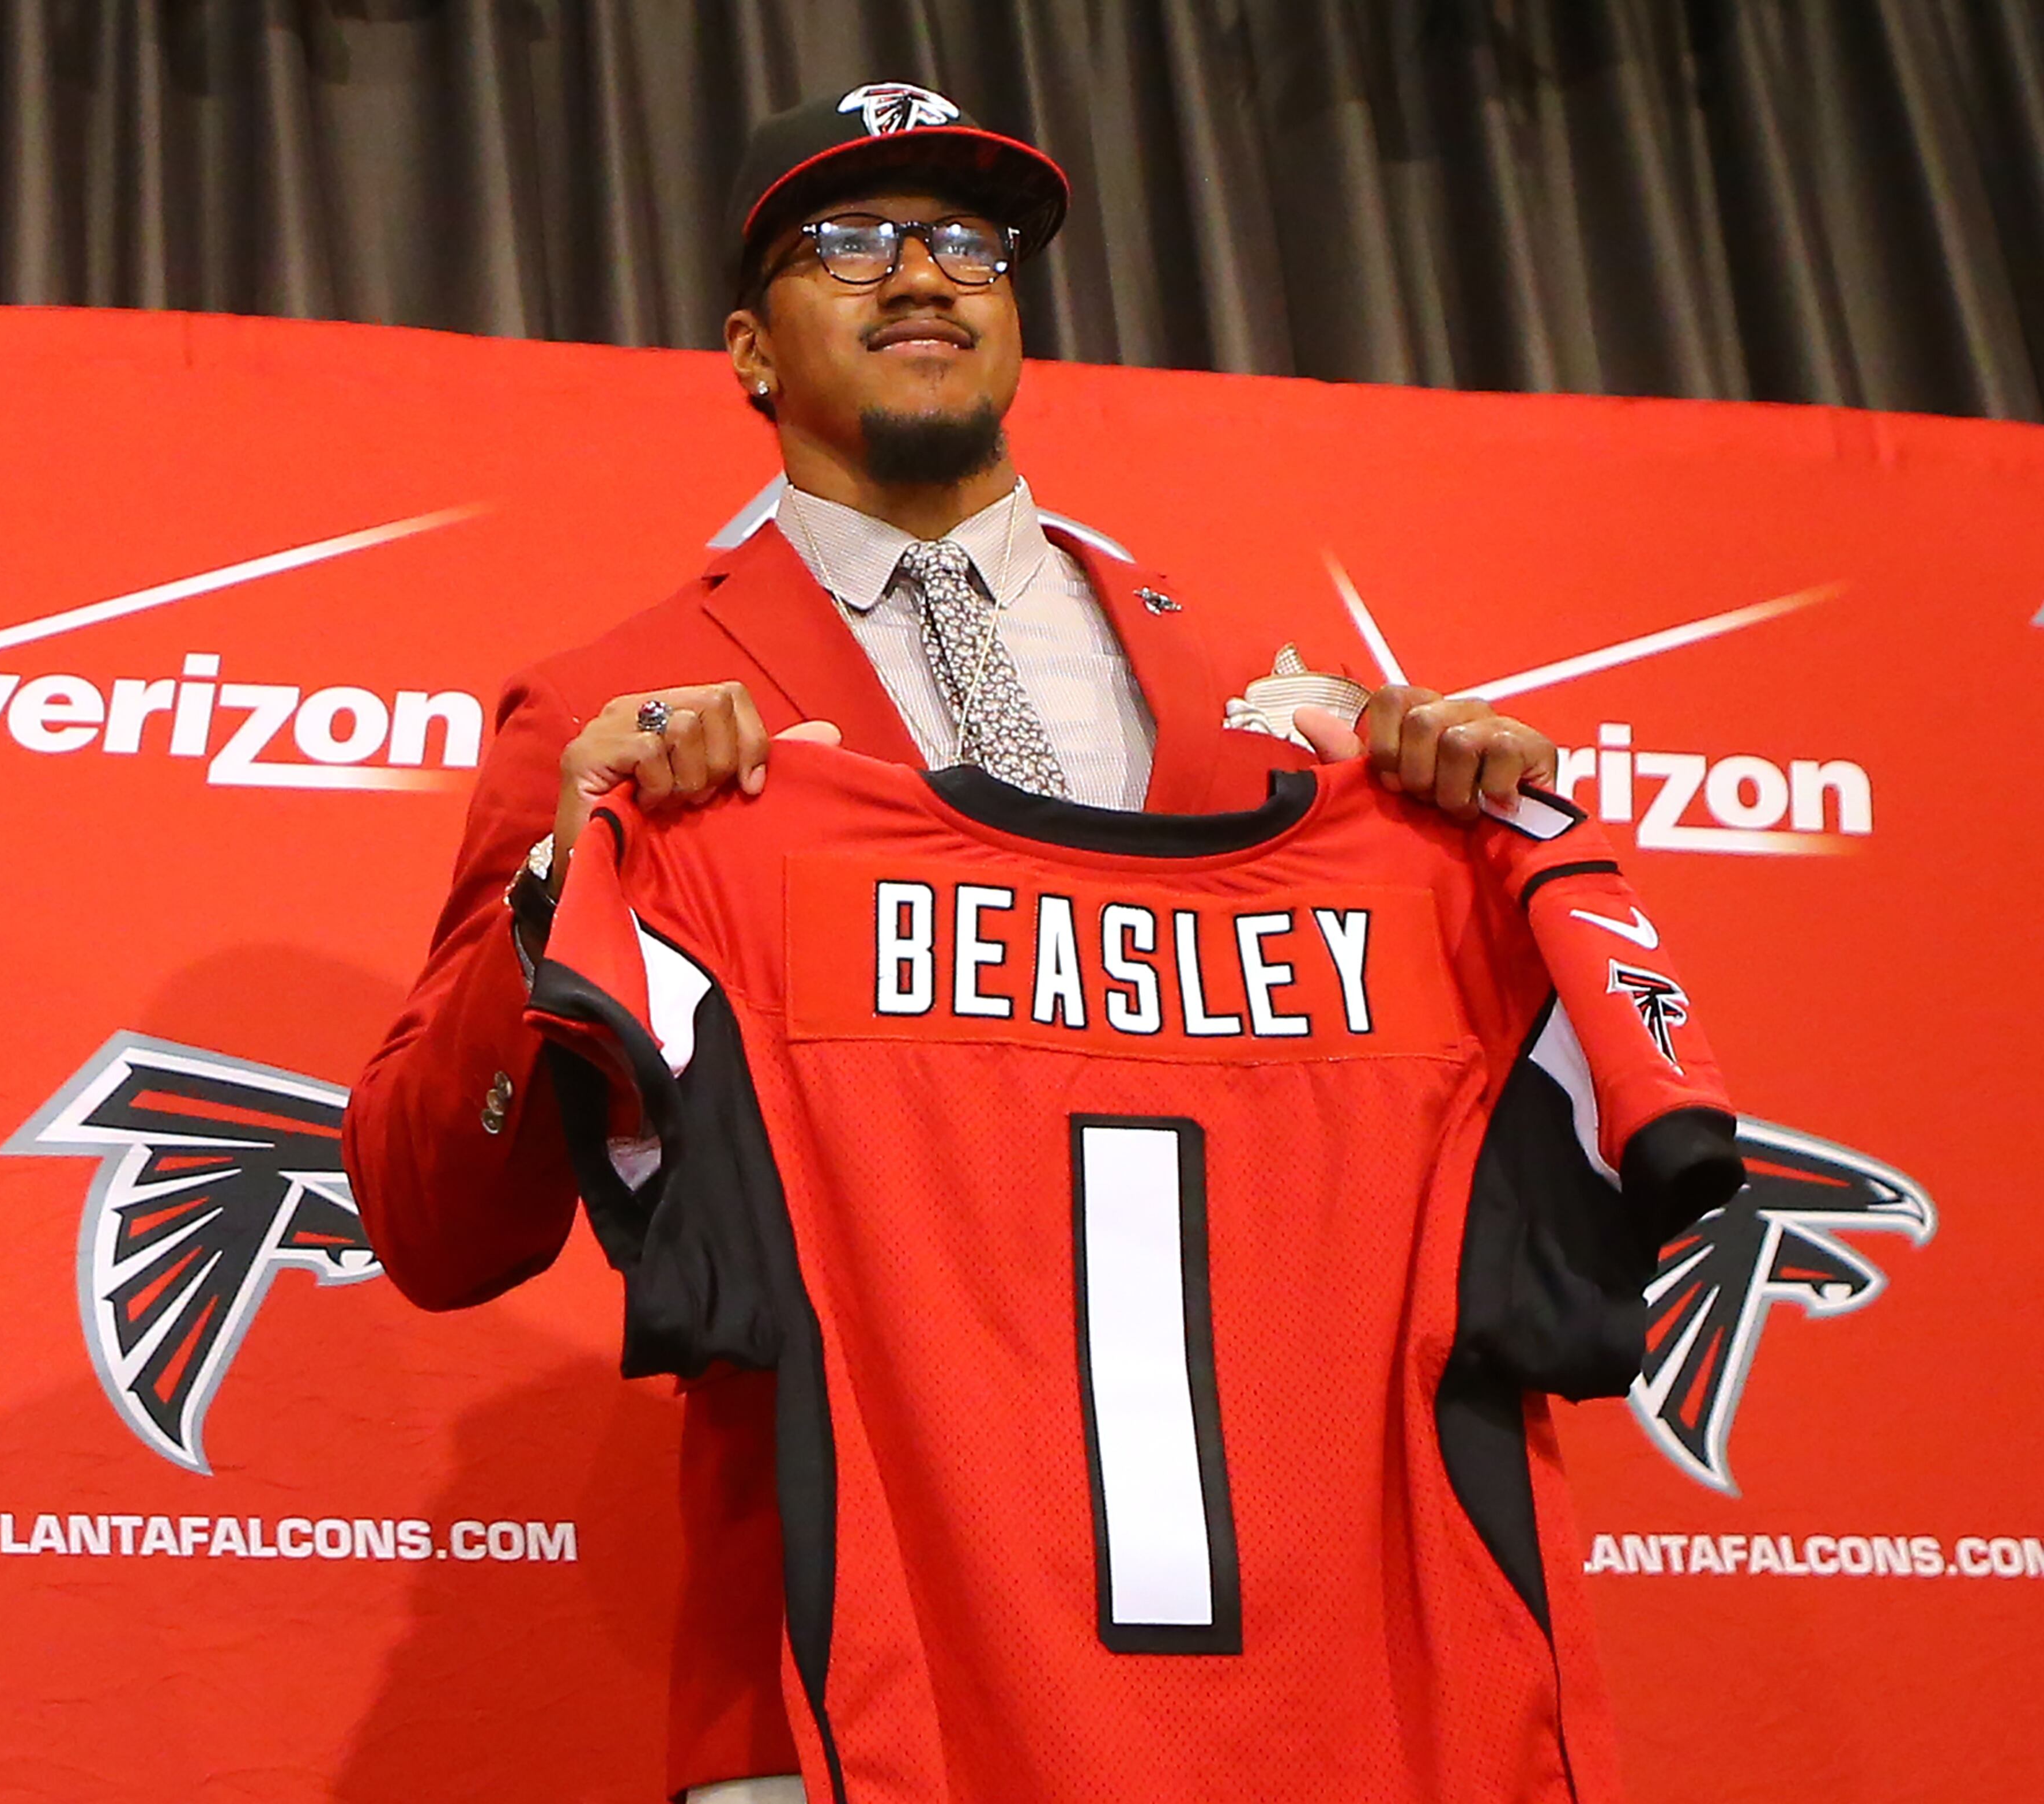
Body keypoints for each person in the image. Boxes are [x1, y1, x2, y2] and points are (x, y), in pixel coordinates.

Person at [346, 82, 1564, 1804]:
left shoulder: (1257, 706)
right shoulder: (610, 706)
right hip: (849, 1676)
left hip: (1273, 1676)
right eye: (849, 241)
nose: (921, 275)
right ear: (752, 350)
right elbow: (431, 1223)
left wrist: (1449, 813)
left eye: (967, 243)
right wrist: (557, 899)